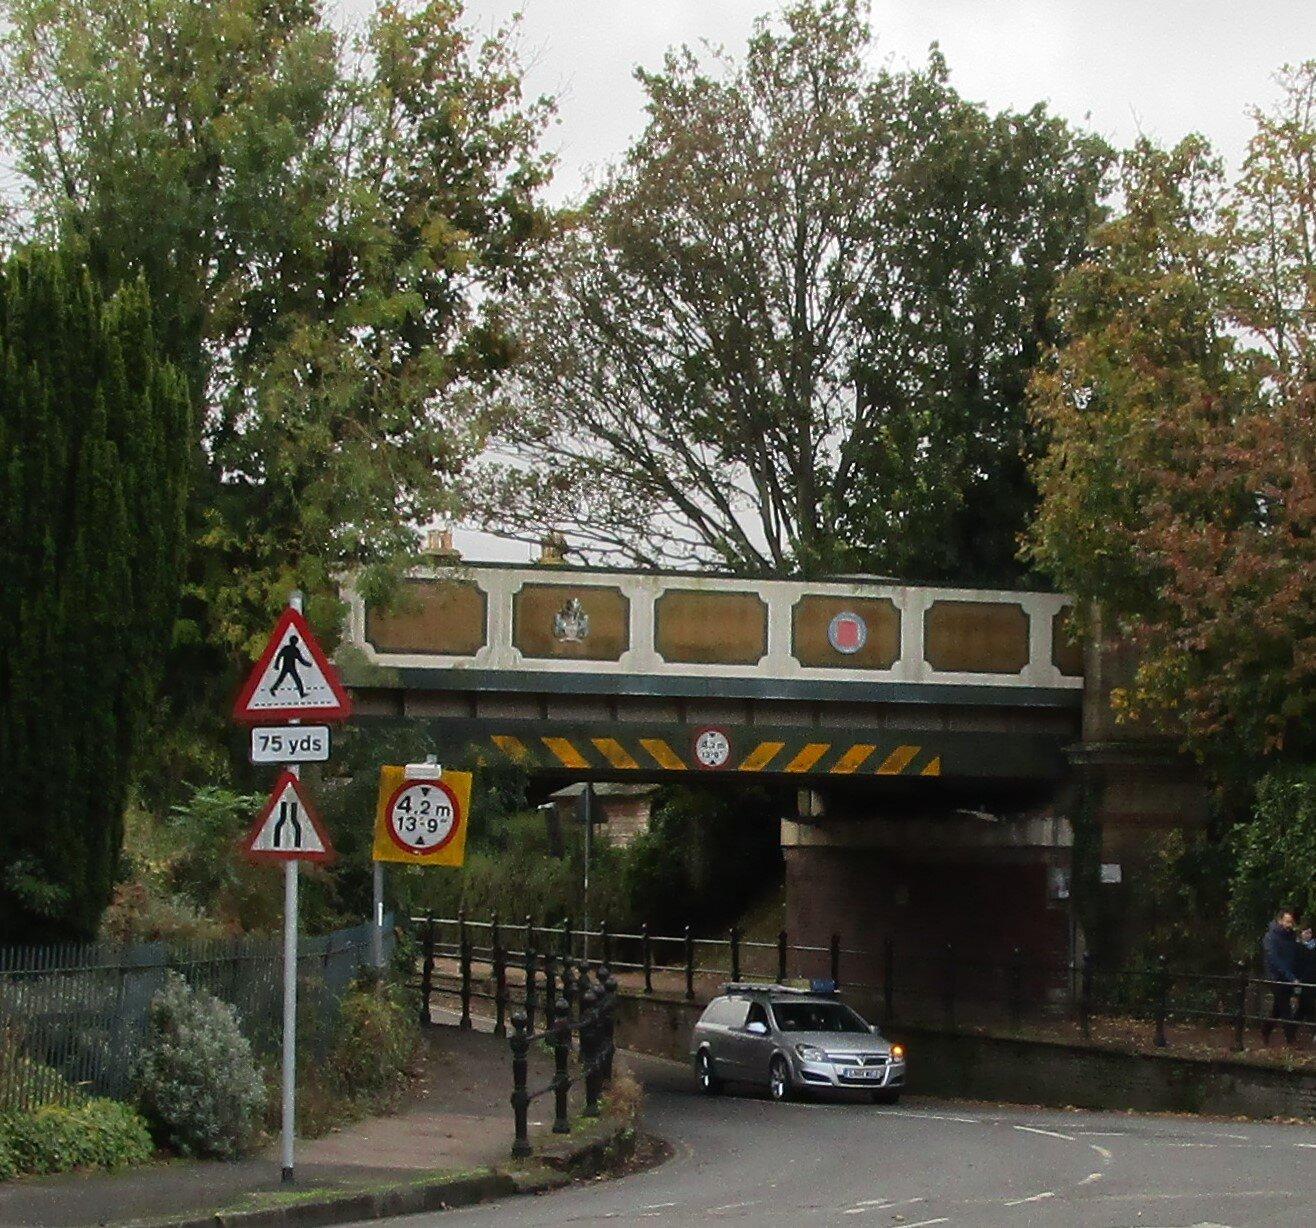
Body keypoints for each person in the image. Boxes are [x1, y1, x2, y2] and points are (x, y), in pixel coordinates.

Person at [1261, 907, 1300, 1045]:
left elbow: (1293, 957)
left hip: (1287, 976)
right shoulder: (1270, 937)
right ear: (1280, 920)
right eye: (1287, 921)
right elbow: (1275, 959)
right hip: (1276, 977)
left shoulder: (1291, 937)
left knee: (1278, 1008)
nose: (1290, 925)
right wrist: (1291, 976)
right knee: (1285, 1007)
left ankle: (1266, 1029)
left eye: (1291, 922)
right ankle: (1291, 1039)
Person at [1295, 925, 1316, 1043]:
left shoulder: (1313, 947)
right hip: (1302, 980)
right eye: (1306, 932)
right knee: (1306, 1007)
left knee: (1306, 1007)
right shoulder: (1297, 947)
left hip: (1312, 980)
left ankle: (1291, 1031)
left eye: (1310, 932)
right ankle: (1291, 1031)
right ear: (1301, 933)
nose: (1308, 935)